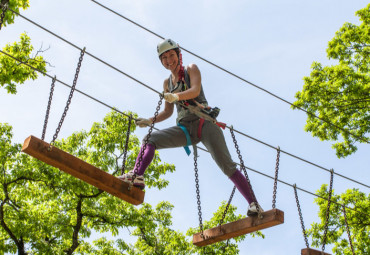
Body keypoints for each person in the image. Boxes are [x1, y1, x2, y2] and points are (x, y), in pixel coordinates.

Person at [118, 39, 263, 216]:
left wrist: (176, 96)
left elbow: (195, 90)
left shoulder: (190, 69)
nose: (168, 60)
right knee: (150, 139)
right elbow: (167, 112)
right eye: (164, 58)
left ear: (179, 55)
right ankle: (137, 176)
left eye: (171, 55)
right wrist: (149, 120)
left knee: (227, 166)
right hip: (185, 129)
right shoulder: (167, 84)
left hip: (205, 125)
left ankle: (253, 203)